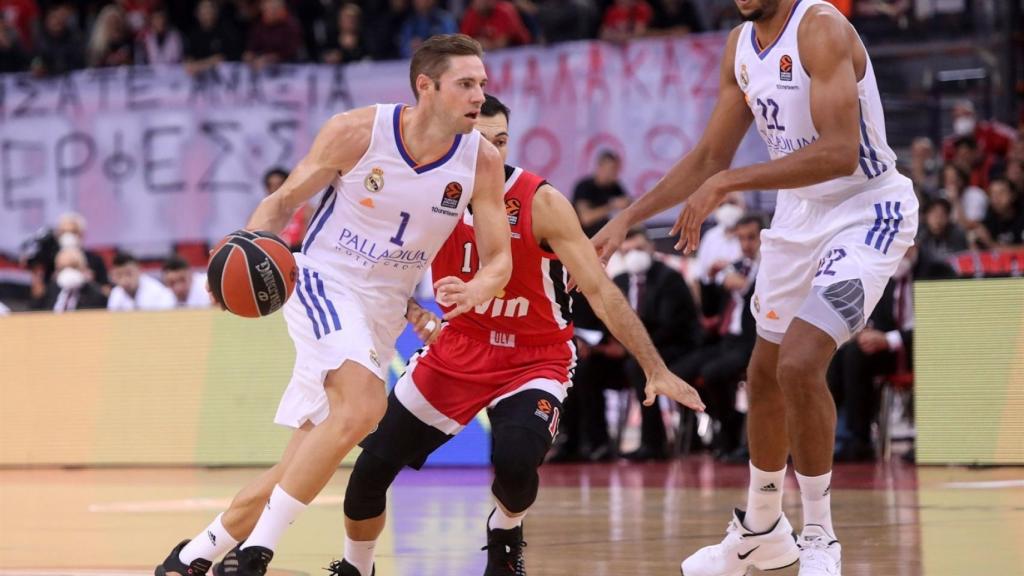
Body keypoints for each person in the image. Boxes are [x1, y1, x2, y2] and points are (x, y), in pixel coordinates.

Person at [154, 34, 512, 576]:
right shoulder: (357, 131)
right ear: (426, 86)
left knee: (302, 460)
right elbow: (281, 203)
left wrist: (477, 288)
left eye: (482, 84)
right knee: (365, 405)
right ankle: (257, 555)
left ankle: (194, 554)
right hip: (325, 281)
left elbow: (498, 260)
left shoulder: (480, 161)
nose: (479, 95)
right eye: (466, 84)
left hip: (384, 311)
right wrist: (237, 255)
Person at [592, 1, 919, 574]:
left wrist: (729, 181)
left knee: (798, 364)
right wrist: (627, 218)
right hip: (797, 217)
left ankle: (820, 536)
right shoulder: (740, 46)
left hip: (866, 208)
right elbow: (709, 157)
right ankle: (762, 531)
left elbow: (841, 153)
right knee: (763, 374)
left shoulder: (819, 28)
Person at [335, 94, 703, 576]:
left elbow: (600, 289)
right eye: (481, 141)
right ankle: (355, 568)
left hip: (537, 357)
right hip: (459, 348)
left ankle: (506, 531)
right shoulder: (427, 192)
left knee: (514, 461)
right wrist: (411, 310)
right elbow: (380, 267)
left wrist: (655, 368)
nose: (493, 152)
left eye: (502, 141)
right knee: (368, 474)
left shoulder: (541, 202)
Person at [108, 252, 178, 312]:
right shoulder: (116, 294)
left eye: (129, 274)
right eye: (119, 275)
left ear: (139, 270)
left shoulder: (159, 292)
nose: (124, 280)